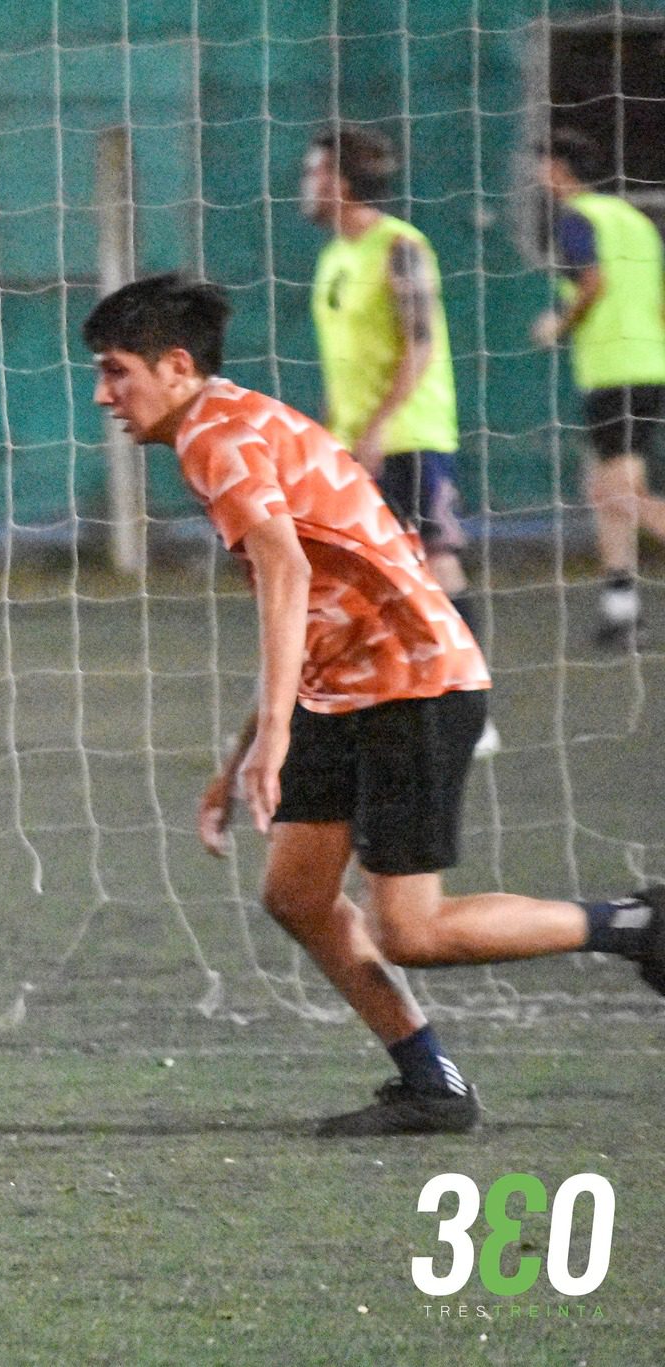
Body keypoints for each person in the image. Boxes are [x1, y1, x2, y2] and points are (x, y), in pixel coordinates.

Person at [83, 274, 665, 1136]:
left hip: (412, 684)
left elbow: (285, 569)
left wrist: (275, 731)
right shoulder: (230, 420)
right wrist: (242, 750)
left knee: (412, 930)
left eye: (116, 371)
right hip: (348, 686)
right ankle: (432, 1083)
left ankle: (636, 921)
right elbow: (303, 602)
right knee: (298, 893)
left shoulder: (214, 434)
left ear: (175, 366)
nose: (104, 394)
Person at [302, 125, 497, 757]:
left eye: (315, 173)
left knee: (435, 565)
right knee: (353, 576)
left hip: (410, 436)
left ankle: (473, 713)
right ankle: (365, 707)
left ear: (344, 182)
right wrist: (328, 435)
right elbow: (346, 362)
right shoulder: (334, 256)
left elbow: (421, 344)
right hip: (355, 444)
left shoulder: (400, 247)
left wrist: (381, 426)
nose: (305, 186)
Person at [531, 129, 665, 648]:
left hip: (615, 369)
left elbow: (594, 284)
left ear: (561, 169)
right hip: (649, 366)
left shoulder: (579, 218)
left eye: (544, 165)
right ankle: (621, 607)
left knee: (614, 493)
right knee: (611, 491)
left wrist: (558, 326)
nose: (541, 177)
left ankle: (622, 606)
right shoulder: (636, 220)